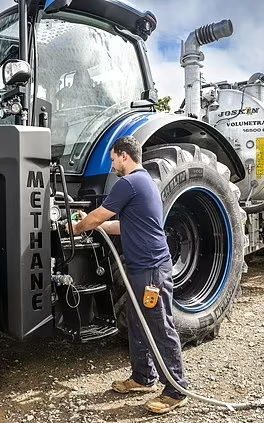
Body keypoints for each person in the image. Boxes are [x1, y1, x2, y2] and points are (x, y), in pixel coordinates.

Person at [67, 136, 189, 414]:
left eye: (113, 159)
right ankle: (143, 378)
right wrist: (95, 227)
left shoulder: (129, 183)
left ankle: (176, 389)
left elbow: (98, 216)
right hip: (142, 269)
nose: (112, 165)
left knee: (159, 325)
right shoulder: (146, 184)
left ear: (124, 156)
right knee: (137, 322)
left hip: (151, 271)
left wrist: (76, 227)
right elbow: (122, 225)